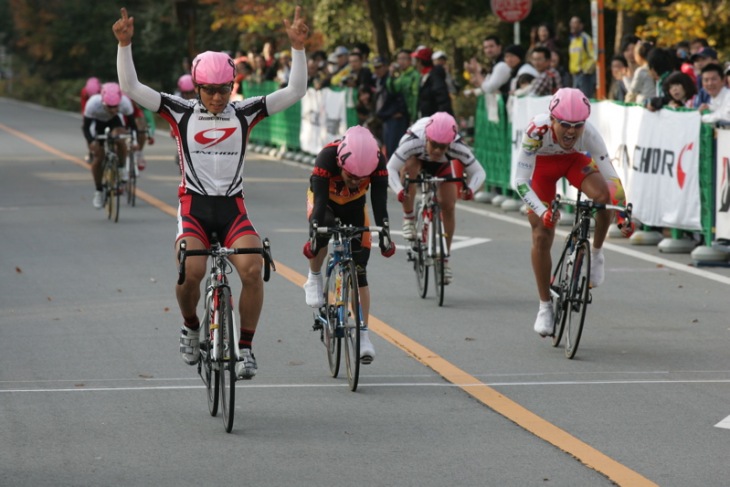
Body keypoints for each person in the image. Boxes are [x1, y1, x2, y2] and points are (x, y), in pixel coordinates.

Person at [113, 6, 309, 379]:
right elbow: (131, 89)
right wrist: (125, 45)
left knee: (254, 269)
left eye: (225, 89)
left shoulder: (245, 112)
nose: (218, 97)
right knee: (191, 271)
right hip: (194, 208)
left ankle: (246, 348)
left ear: (233, 86)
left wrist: (298, 49)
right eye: (210, 90)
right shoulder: (180, 111)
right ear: (196, 86)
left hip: (233, 209)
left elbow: (295, 90)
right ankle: (190, 326)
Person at [513, 88, 632, 337]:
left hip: (574, 162)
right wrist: (542, 211)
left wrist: (622, 213)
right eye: (565, 124)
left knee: (602, 197)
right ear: (552, 119)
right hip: (541, 170)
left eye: (577, 126)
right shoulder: (537, 130)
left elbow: (611, 177)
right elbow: (521, 181)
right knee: (541, 234)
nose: (571, 131)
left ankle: (597, 253)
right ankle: (545, 306)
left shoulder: (589, 134)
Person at [302, 126, 395, 363]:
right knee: (324, 228)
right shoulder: (326, 157)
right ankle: (314, 276)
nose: (356, 181)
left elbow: (379, 203)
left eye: (362, 178)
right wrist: (314, 237)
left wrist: (385, 235)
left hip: (355, 206)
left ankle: (363, 333)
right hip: (326, 203)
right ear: (341, 163)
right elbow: (320, 203)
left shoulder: (378, 162)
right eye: (351, 176)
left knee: (360, 269)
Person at [387, 112, 486, 284]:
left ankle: (444, 259)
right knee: (409, 171)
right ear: (427, 138)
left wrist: (470, 189)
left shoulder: (457, 146)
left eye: (443, 147)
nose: (438, 150)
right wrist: (399, 191)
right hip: (416, 160)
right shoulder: (413, 141)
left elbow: (479, 172)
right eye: (434, 145)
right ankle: (409, 217)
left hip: (442, 166)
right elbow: (390, 169)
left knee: (448, 204)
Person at [82, 81, 137, 209]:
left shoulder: (125, 103)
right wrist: (91, 142)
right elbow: (86, 128)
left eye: (115, 107)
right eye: (109, 107)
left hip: (115, 123)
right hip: (98, 124)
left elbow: (132, 126)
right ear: (102, 102)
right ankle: (99, 191)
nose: (113, 110)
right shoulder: (93, 104)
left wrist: (133, 142)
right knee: (98, 158)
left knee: (120, 138)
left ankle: (122, 167)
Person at [412, 46, 453, 118]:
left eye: (416, 61)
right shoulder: (424, 76)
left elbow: (442, 100)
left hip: (436, 121)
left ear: (420, 61)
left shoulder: (434, 76)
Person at [386, 48, 420, 124]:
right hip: (404, 116)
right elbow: (392, 89)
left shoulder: (415, 75)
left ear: (410, 60)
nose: (401, 62)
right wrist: (391, 75)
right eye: (399, 59)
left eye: (404, 58)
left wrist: (413, 116)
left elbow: (415, 97)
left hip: (414, 115)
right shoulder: (401, 76)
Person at [568, 16, 596, 98]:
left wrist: (585, 70)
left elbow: (594, 56)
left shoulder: (586, 39)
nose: (572, 25)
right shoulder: (572, 40)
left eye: (575, 23)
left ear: (581, 25)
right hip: (574, 76)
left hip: (585, 76)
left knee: (584, 100)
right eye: (571, 23)